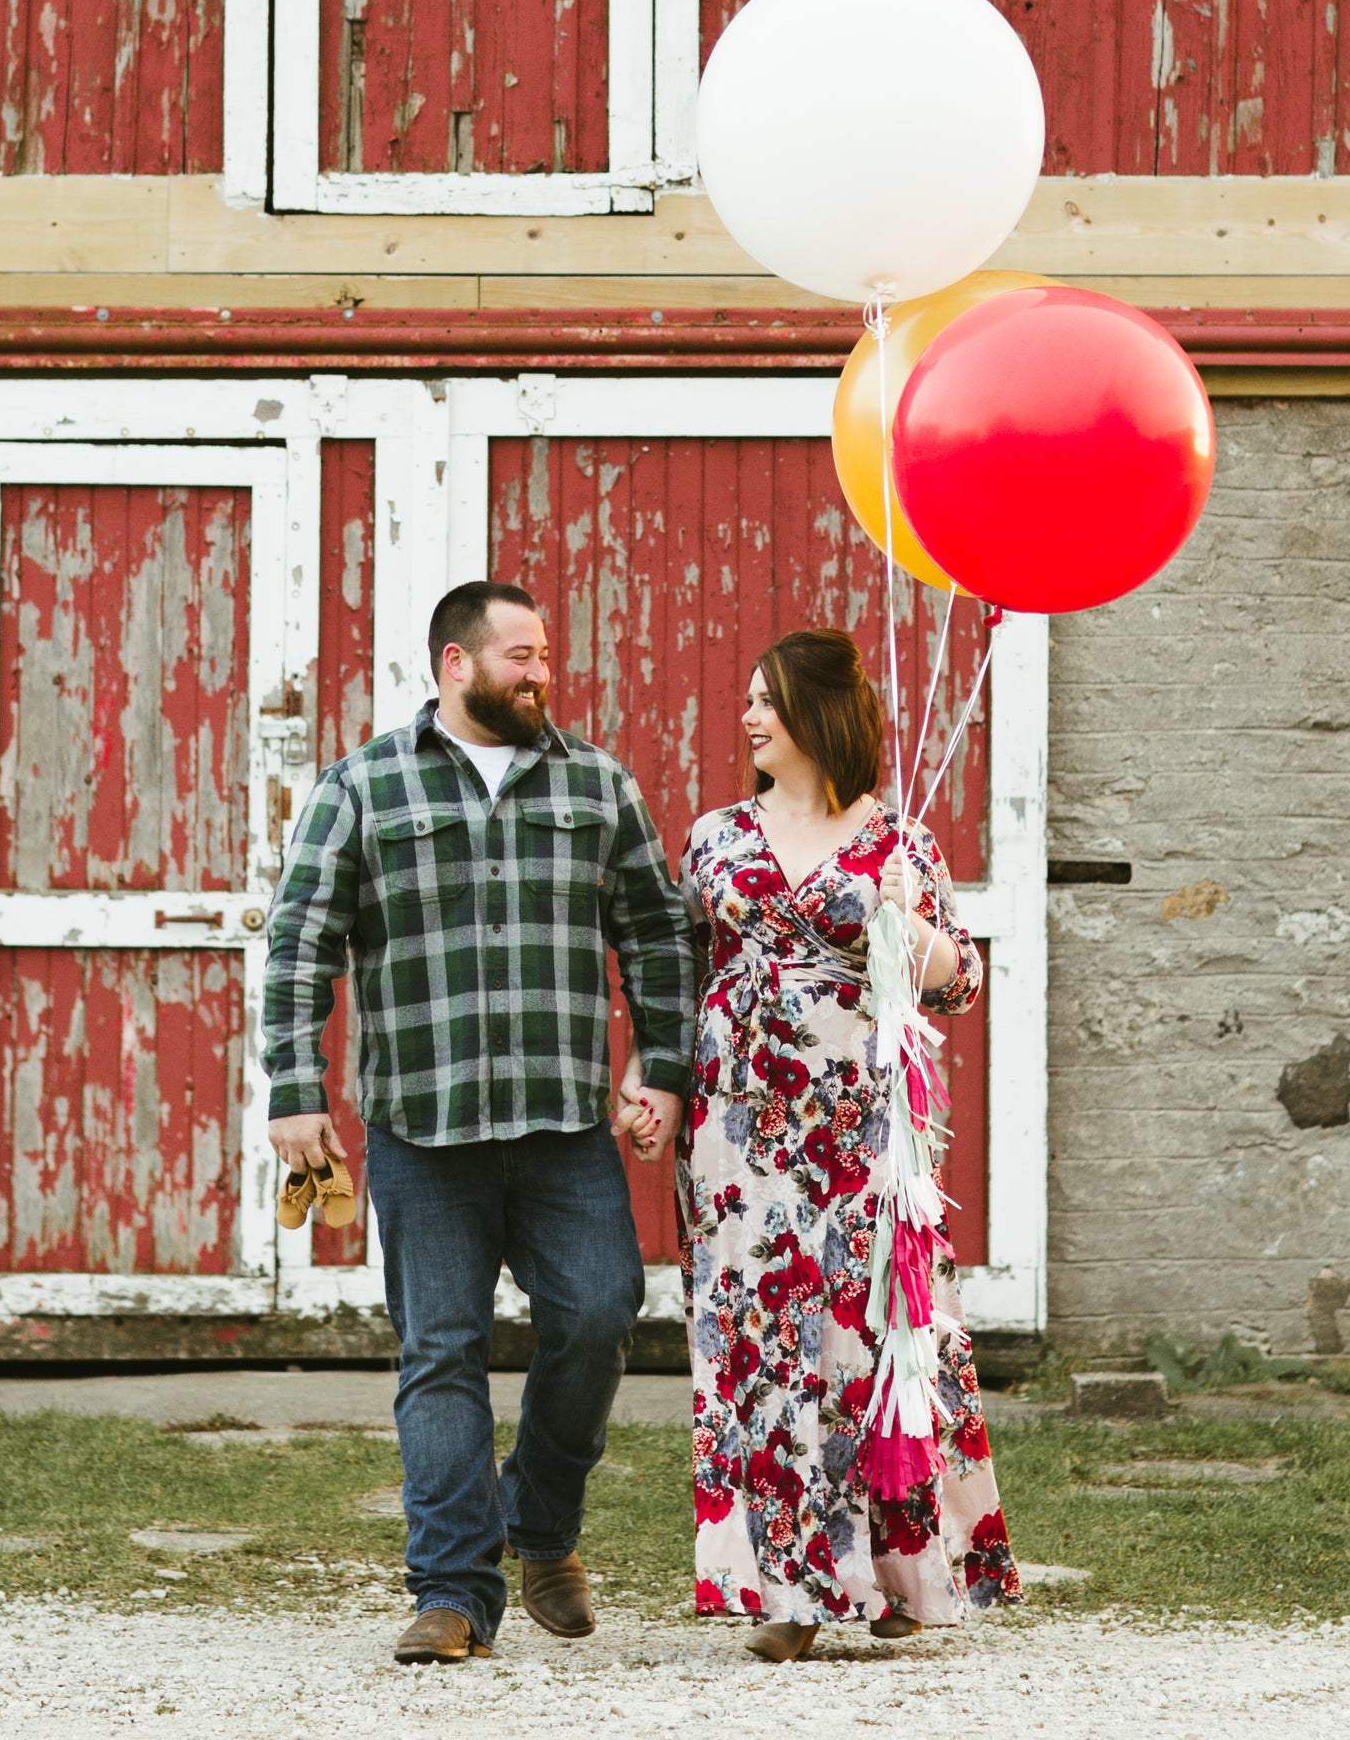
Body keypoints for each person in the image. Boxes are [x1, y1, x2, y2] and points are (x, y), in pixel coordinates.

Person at [261, 579, 694, 1666]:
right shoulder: (361, 786)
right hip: (423, 1127)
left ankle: (539, 1526)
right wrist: (293, 1089)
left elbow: (654, 934)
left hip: (559, 1127)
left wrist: (665, 1066)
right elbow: (300, 941)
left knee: (600, 1314)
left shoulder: (596, 785)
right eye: (516, 654)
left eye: (544, 651)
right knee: (439, 1354)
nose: (538, 670)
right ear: (454, 664)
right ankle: (452, 1591)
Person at [643, 626, 1020, 1659]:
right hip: (738, 1127)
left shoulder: (897, 843)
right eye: (749, 699)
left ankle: (896, 1575)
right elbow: (676, 970)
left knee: (869, 1339)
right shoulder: (715, 835)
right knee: (759, 1340)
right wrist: (658, 1086)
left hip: (862, 1126)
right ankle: (792, 1593)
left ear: (819, 715)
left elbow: (960, 980)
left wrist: (913, 924)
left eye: (769, 700)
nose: (750, 716)